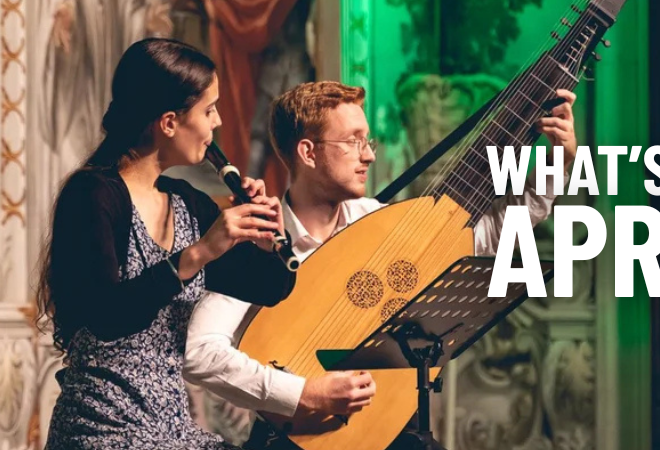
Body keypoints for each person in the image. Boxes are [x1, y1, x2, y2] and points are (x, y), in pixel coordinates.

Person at [182, 81, 577, 448]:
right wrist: (303, 392)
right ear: (308, 152)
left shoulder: (375, 219)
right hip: (292, 437)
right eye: (353, 142)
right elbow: (199, 353)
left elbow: (484, 237)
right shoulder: (257, 243)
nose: (369, 154)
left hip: (385, 432)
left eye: (366, 139)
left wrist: (556, 166)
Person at [37, 38, 297, 450]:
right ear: (170, 122)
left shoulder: (188, 202)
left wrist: (269, 241)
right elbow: (108, 316)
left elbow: (270, 288)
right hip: (101, 427)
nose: (218, 124)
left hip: (170, 426)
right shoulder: (92, 195)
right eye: (209, 110)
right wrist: (198, 254)